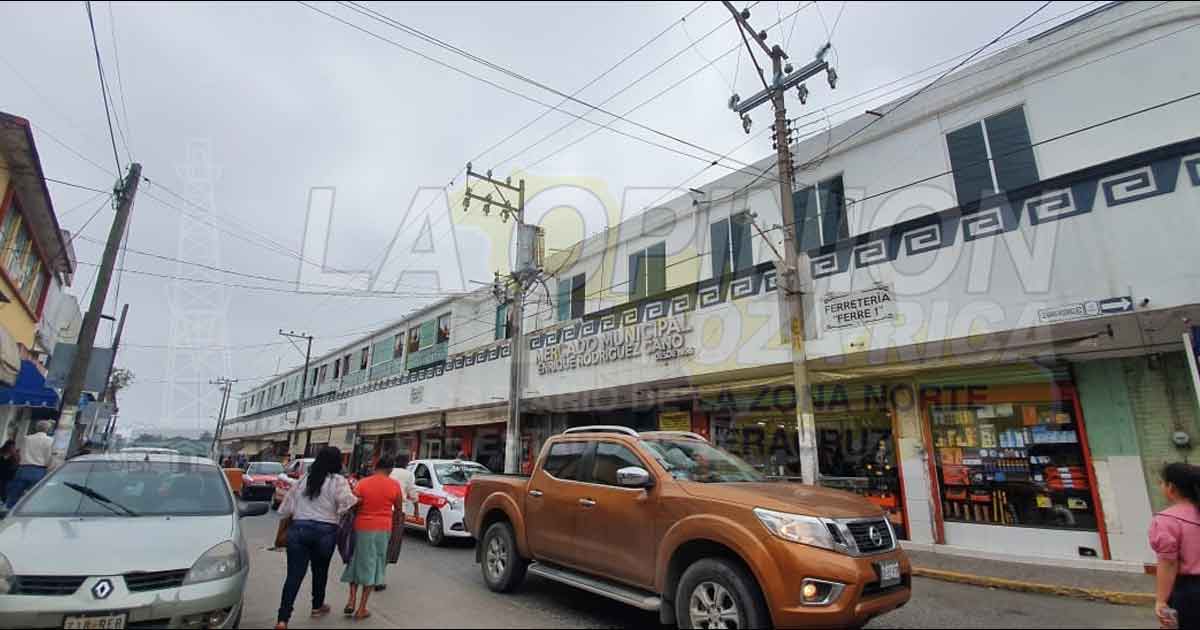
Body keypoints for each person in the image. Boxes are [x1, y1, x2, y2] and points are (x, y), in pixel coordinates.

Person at [275, 446, 357, 630]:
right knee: (320, 571)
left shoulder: (304, 480)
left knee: (293, 576)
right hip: (325, 531)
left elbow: (286, 509)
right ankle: (317, 606)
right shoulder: (338, 481)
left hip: (299, 530)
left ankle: (282, 619)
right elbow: (347, 503)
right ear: (337, 462)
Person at [342, 456, 403, 620]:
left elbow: (352, 503)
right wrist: (396, 531)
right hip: (383, 528)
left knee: (356, 561)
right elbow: (398, 510)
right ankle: (361, 608)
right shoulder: (395, 485)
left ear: (376, 467)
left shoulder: (363, 483)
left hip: (362, 526)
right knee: (374, 565)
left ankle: (351, 599)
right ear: (390, 469)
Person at [1150, 463, 1200, 630]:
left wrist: (1161, 600)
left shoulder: (1167, 520)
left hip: (1190, 593)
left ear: (1171, 487)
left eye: (1162, 482)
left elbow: (1168, 563)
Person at [376, 454, 417, 591]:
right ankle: (380, 577)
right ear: (406, 463)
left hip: (382, 510)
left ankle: (375, 574)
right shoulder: (408, 475)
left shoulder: (388, 472)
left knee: (379, 543)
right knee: (391, 544)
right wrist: (416, 509)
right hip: (398, 513)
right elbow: (413, 494)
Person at [5, 421, 54, 510]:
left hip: (23, 468)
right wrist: (47, 467)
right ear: (48, 429)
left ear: (36, 428)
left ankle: (9, 512)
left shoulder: (26, 438)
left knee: (15, 493)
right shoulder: (50, 440)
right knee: (34, 496)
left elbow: (18, 451)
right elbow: (49, 457)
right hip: (39, 470)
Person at [0, 440, 17, 505]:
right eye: (12, 445)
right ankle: (4, 500)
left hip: (8, 474)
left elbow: (15, 464)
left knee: (5, 488)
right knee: (4, 488)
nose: (13, 447)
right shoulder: (11, 453)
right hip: (6, 474)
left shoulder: (14, 453)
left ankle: (4, 500)